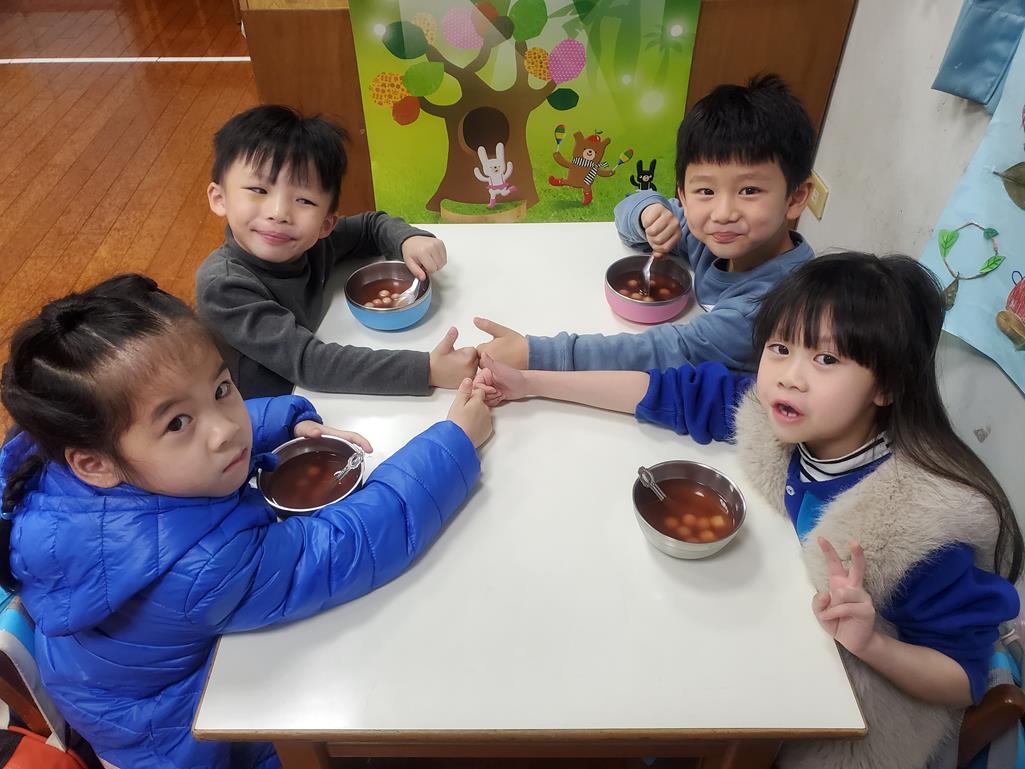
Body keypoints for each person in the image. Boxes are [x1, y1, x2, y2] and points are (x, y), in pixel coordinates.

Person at [475, 252, 1023, 769]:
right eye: (780, 348)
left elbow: (961, 676)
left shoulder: (919, 527)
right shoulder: (781, 416)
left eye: (826, 359)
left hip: (859, 718)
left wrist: (873, 643)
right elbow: (664, 391)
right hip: (778, 637)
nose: (789, 375)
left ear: (886, 387)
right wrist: (531, 383)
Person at [0, 273, 492, 769]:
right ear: (94, 463)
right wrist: (454, 441)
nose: (225, 430)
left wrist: (286, 419)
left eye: (221, 388)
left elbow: (200, 417)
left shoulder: (64, 465)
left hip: (99, 690)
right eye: (177, 423)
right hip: (182, 744)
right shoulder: (203, 568)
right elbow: (350, 545)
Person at [475, 74, 815, 375]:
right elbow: (627, 208)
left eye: (749, 190)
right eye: (706, 190)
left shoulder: (774, 306)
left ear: (796, 197)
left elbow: (665, 351)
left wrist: (535, 353)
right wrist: (648, 212)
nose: (723, 212)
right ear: (683, 194)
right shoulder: (718, 236)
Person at [196, 104, 478, 399]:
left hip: (307, 394)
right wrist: (427, 370)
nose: (278, 213)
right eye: (258, 190)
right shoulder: (223, 286)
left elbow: (370, 226)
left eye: (304, 200)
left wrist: (408, 239)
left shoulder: (311, 242)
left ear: (326, 224)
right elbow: (311, 363)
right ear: (219, 198)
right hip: (256, 412)